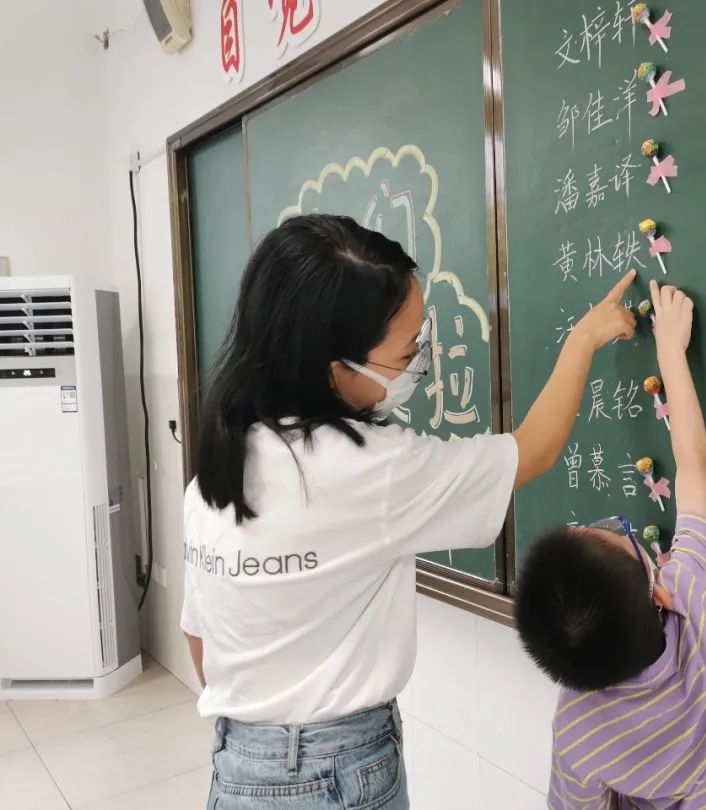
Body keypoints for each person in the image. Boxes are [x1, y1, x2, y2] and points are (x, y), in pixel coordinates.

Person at [181, 214, 637, 809]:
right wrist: (583, 340)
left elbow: (199, 635)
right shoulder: (371, 469)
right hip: (338, 770)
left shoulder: (222, 457)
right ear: (336, 369)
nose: (421, 359)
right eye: (405, 352)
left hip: (238, 761)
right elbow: (533, 450)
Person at [515, 281, 706, 809]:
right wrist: (670, 351)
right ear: (659, 594)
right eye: (623, 536)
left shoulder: (577, 726)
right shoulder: (695, 598)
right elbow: (692, 464)